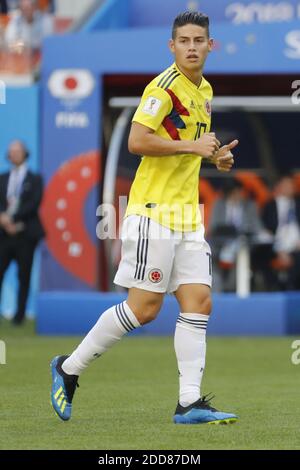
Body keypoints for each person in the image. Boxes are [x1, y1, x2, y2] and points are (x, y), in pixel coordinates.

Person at [50, 11, 239, 425]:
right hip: (154, 212)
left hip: (188, 216)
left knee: (199, 301)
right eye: (184, 40)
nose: (192, 46)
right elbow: (137, 141)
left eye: (199, 40)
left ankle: (188, 403)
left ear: (211, 45)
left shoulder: (203, 89)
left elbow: (190, 147)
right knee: (145, 308)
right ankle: (68, 368)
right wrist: (192, 147)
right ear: (171, 47)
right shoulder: (164, 87)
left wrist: (217, 158)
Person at [0, 140, 45, 324]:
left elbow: (33, 204)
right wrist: (3, 219)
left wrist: (13, 219)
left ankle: (19, 316)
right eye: (12, 151)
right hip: (3, 235)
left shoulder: (35, 179)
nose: (15, 154)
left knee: (24, 275)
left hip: (26, 235)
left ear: (25, 153)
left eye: (18, 151)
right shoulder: (2, 178)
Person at [209, 178, 264, 291]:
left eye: (239, 191)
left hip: (243, 245)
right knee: (210, 255)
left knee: (242, 253)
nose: (238, 195)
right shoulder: (219, 205)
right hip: (220, 244)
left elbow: (257, 227)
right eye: (234, 192)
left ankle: (234, 289)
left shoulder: (250, 206)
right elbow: (213, 226)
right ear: (228, 193)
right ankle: (218, 289)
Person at [262, 174, 300, 290]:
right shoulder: (270, 206)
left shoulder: (298, 204)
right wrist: (279, 249)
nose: (290, 187)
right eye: (286, 185)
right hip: (275, 245)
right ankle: (276, 290)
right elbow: (265, 231)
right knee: (261, 256)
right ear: (279, 186)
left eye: (291, 185)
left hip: (297, 246)